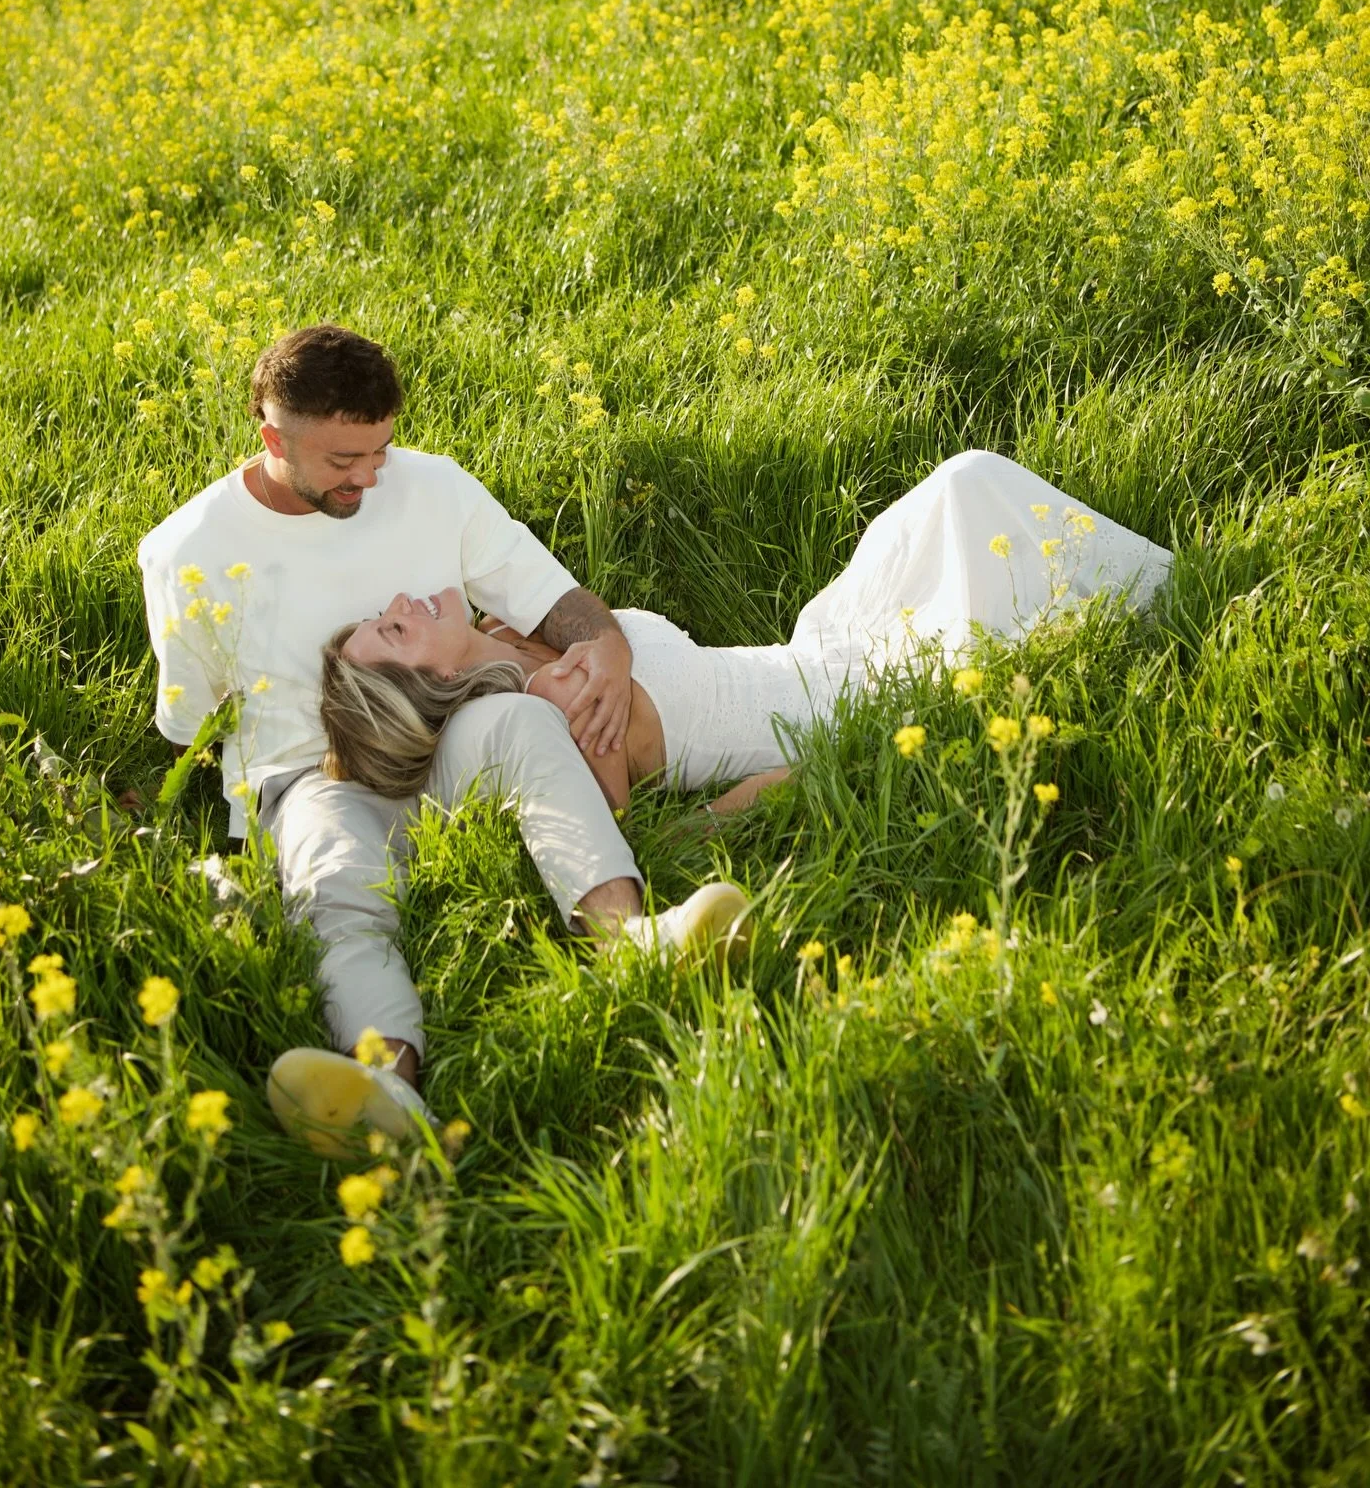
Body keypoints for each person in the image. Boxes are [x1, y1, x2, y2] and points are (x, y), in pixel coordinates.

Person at [138, 325, 748, 1162]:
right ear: (272, 438)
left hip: (446, 738)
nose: (369, 477)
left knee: (521, 722)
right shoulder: (188, 551)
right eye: (344, 461)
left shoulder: (432, 487)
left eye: (380, 450)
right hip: (312, 776)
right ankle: (384, 1082)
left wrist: (606, 644)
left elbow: (553, 599)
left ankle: (630, 942)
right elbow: (189, 729)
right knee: (334, 869)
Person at [320, 448, 1173, 817]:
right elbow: (632, 826)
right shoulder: (557, 703)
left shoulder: (520, 634)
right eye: (393, 632)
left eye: (383, 615)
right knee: (985, 515)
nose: (400, 604)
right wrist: (796, 780)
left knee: (958, 496)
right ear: (435, 683)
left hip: (824, 647)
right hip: (849, 704)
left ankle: (1169, 589)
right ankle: (1183, 599)